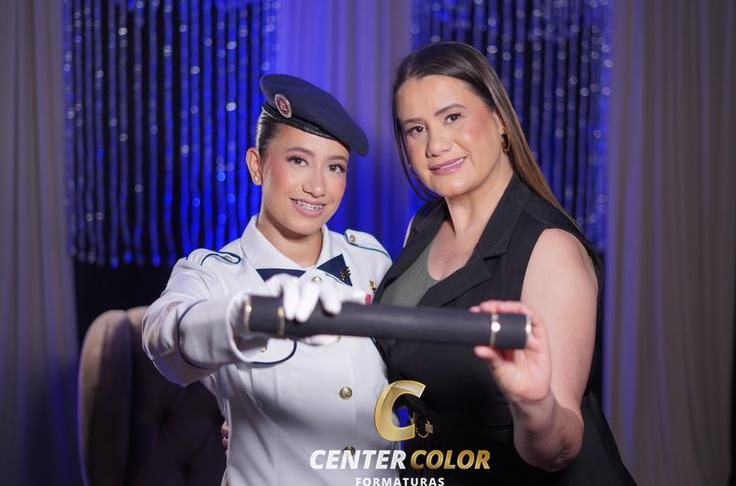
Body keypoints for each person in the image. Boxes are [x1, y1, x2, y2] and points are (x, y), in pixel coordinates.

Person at [375, 42, 635, 484]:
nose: (435, 145)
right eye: (416, 129)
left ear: (499, 120)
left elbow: (558, 446)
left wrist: (535, 406)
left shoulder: (551, 249)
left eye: (452, 117)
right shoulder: (422, 226)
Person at [142, 75, 397, 485]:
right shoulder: (214, 273)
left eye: (335, 167)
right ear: (256, 166)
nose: (317, 187)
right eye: (298, 160)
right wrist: (249, 317)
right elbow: (164, 336)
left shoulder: (372, 260)